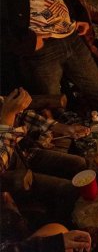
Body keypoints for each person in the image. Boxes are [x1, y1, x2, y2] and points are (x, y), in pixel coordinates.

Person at [0, 88, 90, 225]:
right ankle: (65, 230)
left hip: (25, 153)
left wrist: (61, 128)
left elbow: (21, 115)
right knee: (69, 192)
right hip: (9, 178)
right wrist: (7, 118)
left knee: (81, 165)